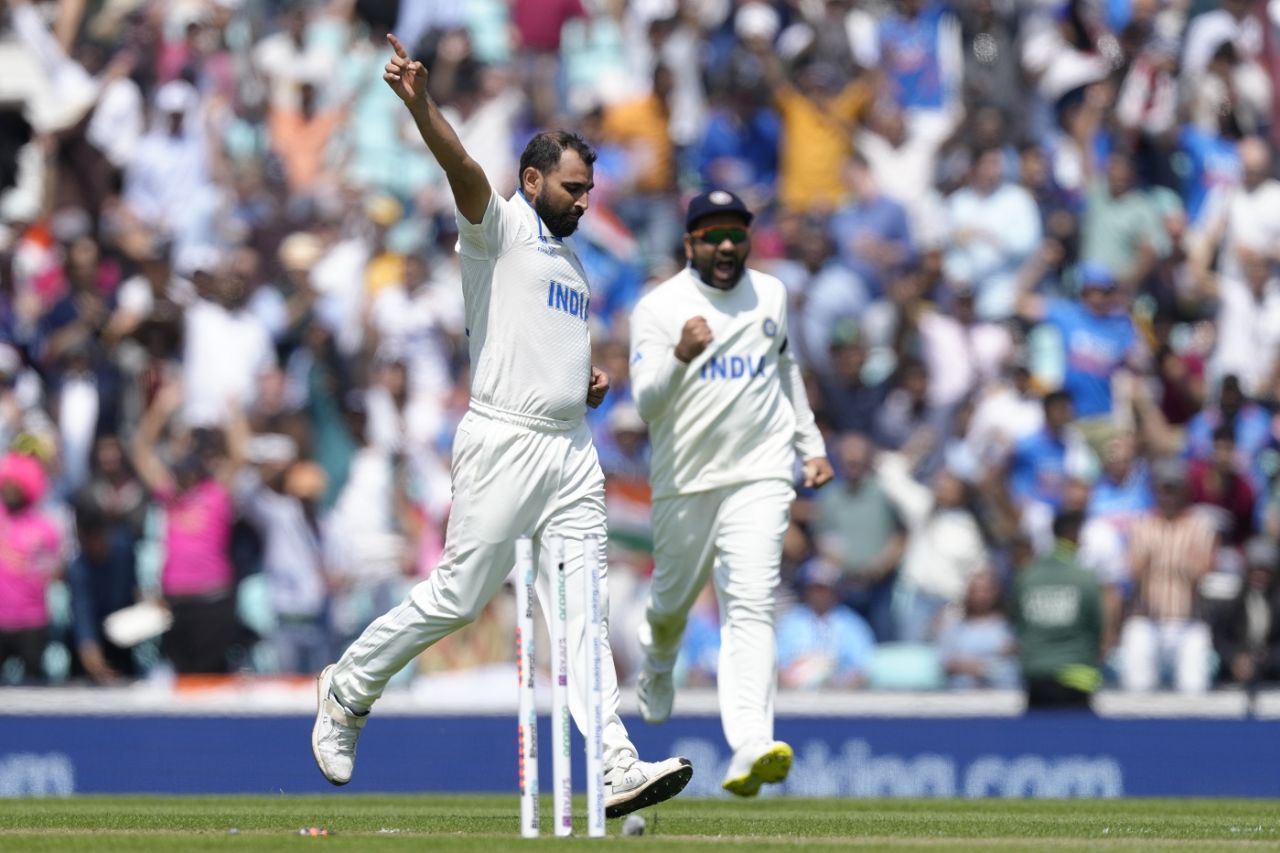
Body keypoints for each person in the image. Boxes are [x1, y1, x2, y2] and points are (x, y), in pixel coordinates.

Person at [310, 34, 692, 819]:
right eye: (573, 188)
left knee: (583, 615)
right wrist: (422, 105)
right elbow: (462, 169)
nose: (584, 202)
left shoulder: (574, 265)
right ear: (533, 180)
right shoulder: (500, 229)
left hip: (570, 449)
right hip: (503, 441)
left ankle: (615, 762)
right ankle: (347, 687)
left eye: (589, 190)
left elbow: (540, 345)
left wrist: (583, 385)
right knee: (459, 596)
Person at [627, 188, 834, 797]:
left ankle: (750, 744)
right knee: (671, 605)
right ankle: (657, 661)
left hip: (761, 473)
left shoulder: (771, 294)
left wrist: (810, 444)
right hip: (686, 482)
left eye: (735, 235)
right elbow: (646, 403)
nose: (725, 246)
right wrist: (680, 356)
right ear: (689, 243)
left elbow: (785, 368)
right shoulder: (659, 308)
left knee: (750, 603)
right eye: (712, 236)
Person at [1012, 510, 1104, 710]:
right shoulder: (1084, 578)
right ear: (1073, 535)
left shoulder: (1027, 576)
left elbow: (1017, 622)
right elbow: (1096, 625)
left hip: (1036, 674)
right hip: (1078, 675)